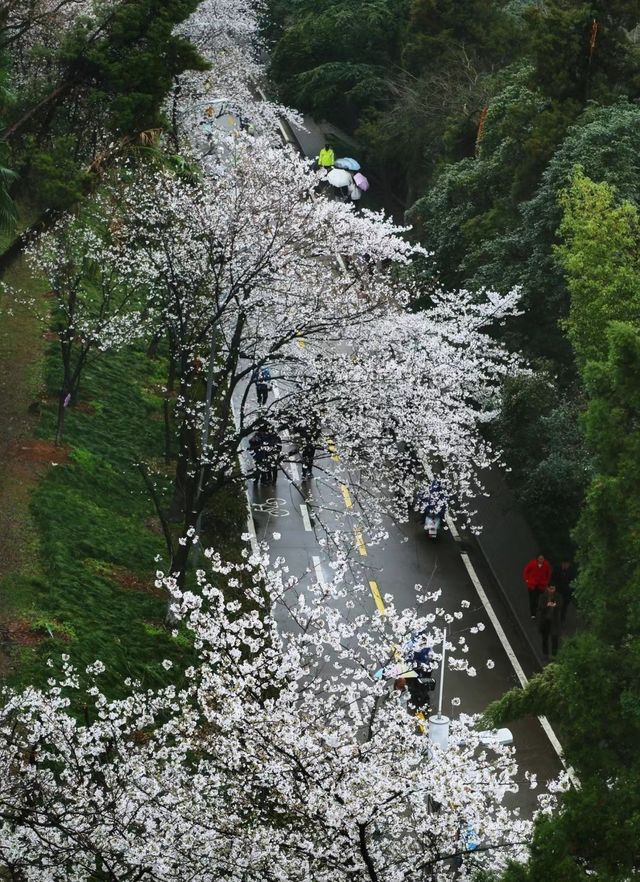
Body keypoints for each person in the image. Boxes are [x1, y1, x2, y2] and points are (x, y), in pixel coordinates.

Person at [536, 583, 563, 660]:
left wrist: (556, 605)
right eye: (550, 588)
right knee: (545, 638)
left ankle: (554, 655)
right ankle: (545, 654)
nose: (552, 590)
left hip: (554, 621)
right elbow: (540, 607)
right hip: (545, 621)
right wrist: (546, 605)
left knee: (554, 638)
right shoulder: (542, 597)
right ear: (547, 588)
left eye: (553, 588)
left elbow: (561, 605)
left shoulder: (558, 596)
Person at [522, 553, 552, 618]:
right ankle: (533, 613)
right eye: (540, 558)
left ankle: (537, 609)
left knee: (538, 598)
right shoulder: (532, 563)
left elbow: (548, 574)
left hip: (541, 585)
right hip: (532, 585)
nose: (541, 560)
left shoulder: (546, 565)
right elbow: (526, 571)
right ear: (537, 559)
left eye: (542, 558)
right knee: (532, 599)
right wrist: (527, 580)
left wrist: (546, 582)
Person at [553, 558, 576, 623]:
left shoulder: (571, 571)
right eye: (564, 564)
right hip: (558, 591)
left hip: (567, 592)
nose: (565, 566)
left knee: (564, 606)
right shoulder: (557, 569)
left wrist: (572, 591)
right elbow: (553, 579)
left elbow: (573, 581)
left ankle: (562, 619)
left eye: (567, 564)